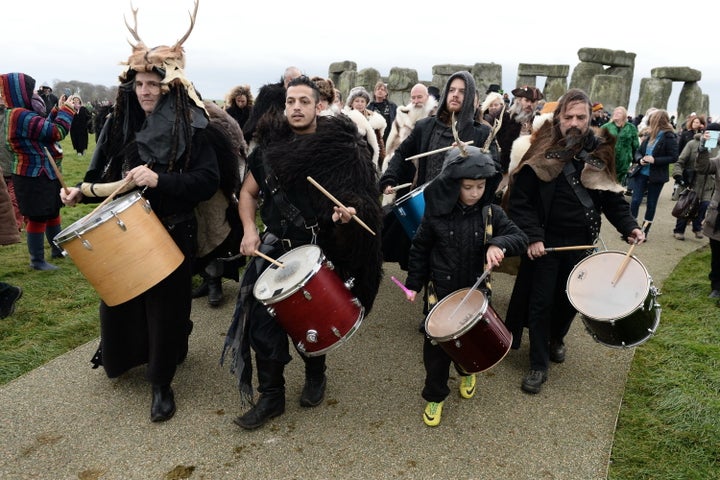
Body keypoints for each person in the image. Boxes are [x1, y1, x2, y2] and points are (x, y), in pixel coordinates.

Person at [59, 5, 220, 422]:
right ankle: (124, 356)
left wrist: (159, 180)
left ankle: (161, 383)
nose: (146, 90)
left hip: (173, 229)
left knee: (166, 311)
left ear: (170, 86)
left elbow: (206, 182)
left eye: (154, 83)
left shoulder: (195, 126)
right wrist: (80, 192)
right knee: (121, 299)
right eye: (141, 84)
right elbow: (110, 178)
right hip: (125, 231)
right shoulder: (121, 123)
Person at [222, 75, 383, 430]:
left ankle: (315, 372)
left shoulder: (342, 152)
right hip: (275, 248)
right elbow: (248, 194)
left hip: (319, 250)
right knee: (262, 327)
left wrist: (348, 216)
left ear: (318, 106)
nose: (296, 107)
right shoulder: (268, 150)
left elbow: (363, 202)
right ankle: (271, 397)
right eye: (291, 101)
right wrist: (250, 230)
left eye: (304, 102)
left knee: (311, 323)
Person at [504, 88, 645, 394]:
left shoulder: (599, 151)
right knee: (540, 304)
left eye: (581, 117)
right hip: (546, 244)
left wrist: (629, 226)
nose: (574, 122)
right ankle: (538, 364)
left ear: (590, 118)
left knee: (572, 301)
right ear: (559, 118)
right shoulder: (541, 148)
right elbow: (520, 202)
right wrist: (533, 237)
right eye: (568, 116)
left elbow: (611, 198)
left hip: (582, 244)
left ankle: (557, 338)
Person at [403, 145, 527, 426]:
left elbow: (519, 238)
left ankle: (467, 368)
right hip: (441, 296)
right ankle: (435, 396)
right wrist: (412, 283)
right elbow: (420, 250)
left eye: (480, 186)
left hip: (476, 294)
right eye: (467, 186)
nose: (474, 193)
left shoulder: (492, 213)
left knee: (471, 344)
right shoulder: (435, 215)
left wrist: (498, 244)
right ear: (452, 184)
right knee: (435, 353)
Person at [380, 71, 496, 271]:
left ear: (469, 97)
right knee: (426, 270)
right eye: (451, 90)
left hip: (463, 217)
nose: (455, 95)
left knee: (457, 273)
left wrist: (468, 155)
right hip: (428, 211)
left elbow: (494, 170)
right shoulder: (426, 126)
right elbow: (401, 154)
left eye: (462, 91)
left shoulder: (482, 132)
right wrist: (390, 178)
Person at [0, 72, 75, 270]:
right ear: (19, 91)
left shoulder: (18, 113)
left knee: (52, 211)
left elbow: (42, 127)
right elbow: (56, 132)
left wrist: (57, 109)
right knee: (38, 215)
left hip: (43, 172)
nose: (33, 93)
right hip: (32, 175)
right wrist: (68, 110)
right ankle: (37, 261)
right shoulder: (19, 115)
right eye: (29, 89)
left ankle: (57, 250)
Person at [191, 100, 247, 307]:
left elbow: (237, 156)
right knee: (196, 239)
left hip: (215, 192)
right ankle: (207, 279)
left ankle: (215, 282)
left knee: (213, 234)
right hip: (186, 193)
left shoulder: (215, 126)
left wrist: (230, 189)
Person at [627, 108, 679, 237]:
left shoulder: (669, 136)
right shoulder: (650, 134)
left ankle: (644, 231)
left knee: (651, 204)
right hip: (641, 173)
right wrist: (640, 159)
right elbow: (638, 151)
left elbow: (673, 157)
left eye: (652, 119)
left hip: (657, 176)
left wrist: (655, 160)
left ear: (657, 120)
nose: (650, 121)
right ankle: (631, 228)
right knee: (635, 201)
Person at [671, 122, 716, 241]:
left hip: (709, 185)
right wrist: (678, 175)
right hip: (693, 181)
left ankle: (697, 227)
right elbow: (680, 161)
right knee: (686, 205)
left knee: (704, 206)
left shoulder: (718, 148)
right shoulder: (692, 144)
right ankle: (679, 229)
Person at [242, 66, 302, 147]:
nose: (301, 82)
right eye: (299, 79)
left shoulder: (300, 95)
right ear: (289, 80)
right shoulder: (270, 95)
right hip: (263, 140)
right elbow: (257, 117)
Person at [495, 85, 544, 181]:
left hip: (529, 171)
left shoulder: (538, 121)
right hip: (506, 169)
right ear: (519, 100)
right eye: (526, 100)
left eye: (533, 102)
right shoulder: (505, 118)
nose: (529, 104)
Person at [695, 124, 720, 300]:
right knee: (717, 254)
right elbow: (702, 168)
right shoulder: (719, 160)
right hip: (718, 214)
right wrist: (703, 148)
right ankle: (716, 287)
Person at [343, 86, 387, 171]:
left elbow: (379, 140)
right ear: (351, 103)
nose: (360, 104)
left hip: (370, 155)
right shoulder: (346, 117)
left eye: (362, 101)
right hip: (352, 156)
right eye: (357, 101)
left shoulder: (373, 118)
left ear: (366, 103)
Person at [0, 92, 23, 231]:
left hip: (12, 161)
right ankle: (13, 225)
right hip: (9, 161)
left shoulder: (12, 114)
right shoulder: (12, 115)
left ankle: (14, 225)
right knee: (12, 196)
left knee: (13, 196)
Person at [601, 106, 639, 187]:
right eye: (615, 112)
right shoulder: (606, 127)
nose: (616, 114)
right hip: (609, 159)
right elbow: (598, 142)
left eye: (619, 112)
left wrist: (634, 160)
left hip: (624, 161)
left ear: (624, 115)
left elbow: (635, 145)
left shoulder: (631, 127)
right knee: (607, 181)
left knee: (618, 183)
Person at [367, 80, 397, 144]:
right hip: (375, 139)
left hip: (389, 137)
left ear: (386, 93)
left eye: (382, 89)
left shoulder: (392, 106)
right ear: (374, 92)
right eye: (378, 89)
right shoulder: (369, 107)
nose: (380, 91)